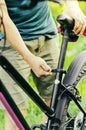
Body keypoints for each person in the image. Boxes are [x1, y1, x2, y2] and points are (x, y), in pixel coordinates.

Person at [0, 0, 86, 130]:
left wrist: (72, 6)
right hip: (12, 42)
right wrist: (29, 58)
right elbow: (2, 19)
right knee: (16, 112)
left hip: (46, 34)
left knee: (54, 102)